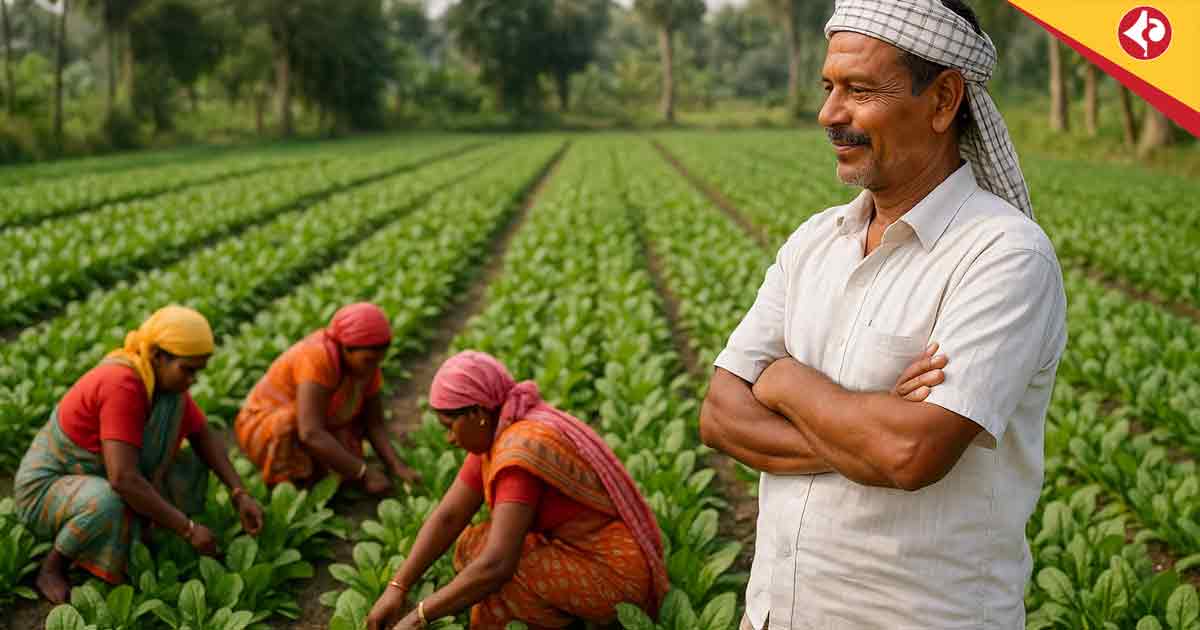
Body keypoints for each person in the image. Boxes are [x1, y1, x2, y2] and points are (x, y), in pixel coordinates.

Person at [698, 1, 1068, 628]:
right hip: (776, 614)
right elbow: (720, 417)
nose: (829, 114)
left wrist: (786, 382)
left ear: (944, 99)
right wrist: (865, 428)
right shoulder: (814, 242)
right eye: (828, 87)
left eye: (860, 90)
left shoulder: (1005, 256)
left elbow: (908, 455)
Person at [366, 351, 669, 630]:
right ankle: (548, 613)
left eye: (449, 425)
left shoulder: (518, 454)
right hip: (580, 551)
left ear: (477, 413)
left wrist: (419, 616)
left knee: (494, 566)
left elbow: (498, 564)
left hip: (615, 577)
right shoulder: (502, 427)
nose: (448, 439)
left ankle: (553, 617)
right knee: (474, 545)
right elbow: (449, 516)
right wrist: (397, 587)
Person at [14, 305, 264, 604]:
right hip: (48, 488)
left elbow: (203, 435)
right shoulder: (122, 383)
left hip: (97, 475)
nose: (193, 380)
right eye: (188, 369)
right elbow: (123, 479)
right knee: (108, 500)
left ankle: (140, 529)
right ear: (158, 356)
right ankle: (53, 566)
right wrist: (188, 529)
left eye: (198, 371)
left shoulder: (165, 388)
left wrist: (240, 493)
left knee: (191, 460)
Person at [235, 302, 420, 493]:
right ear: (345, 348)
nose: (374, 368)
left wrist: (397, 467)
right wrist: (363, 472)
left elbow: (374, 423)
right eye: (369, 360)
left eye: (379, 360)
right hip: (263, 427)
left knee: (345, 457)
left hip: (315, 423)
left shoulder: (366, 366)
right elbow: (310, 432)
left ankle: (317, 476)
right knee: (289, 421)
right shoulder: (316, 358)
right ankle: (286, 486)